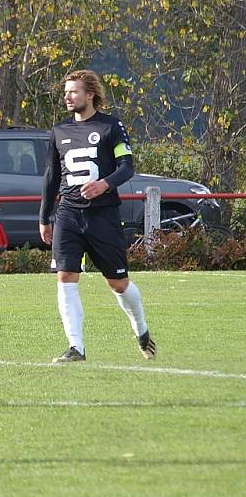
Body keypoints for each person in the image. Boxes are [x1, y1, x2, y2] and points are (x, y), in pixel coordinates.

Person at [39, 69, 156, 363]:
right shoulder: (59, 131)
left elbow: (126, 166)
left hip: (103, 215)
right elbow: (51, 176)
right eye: (66, 91)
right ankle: (76, 347)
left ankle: (140, 329)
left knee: (117, 283)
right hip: (68, 213)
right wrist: (44, 217)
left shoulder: (110, 126)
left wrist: (105, 184)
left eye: (73, 91)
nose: (67, 96)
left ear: (90, 94)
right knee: (65, 276)